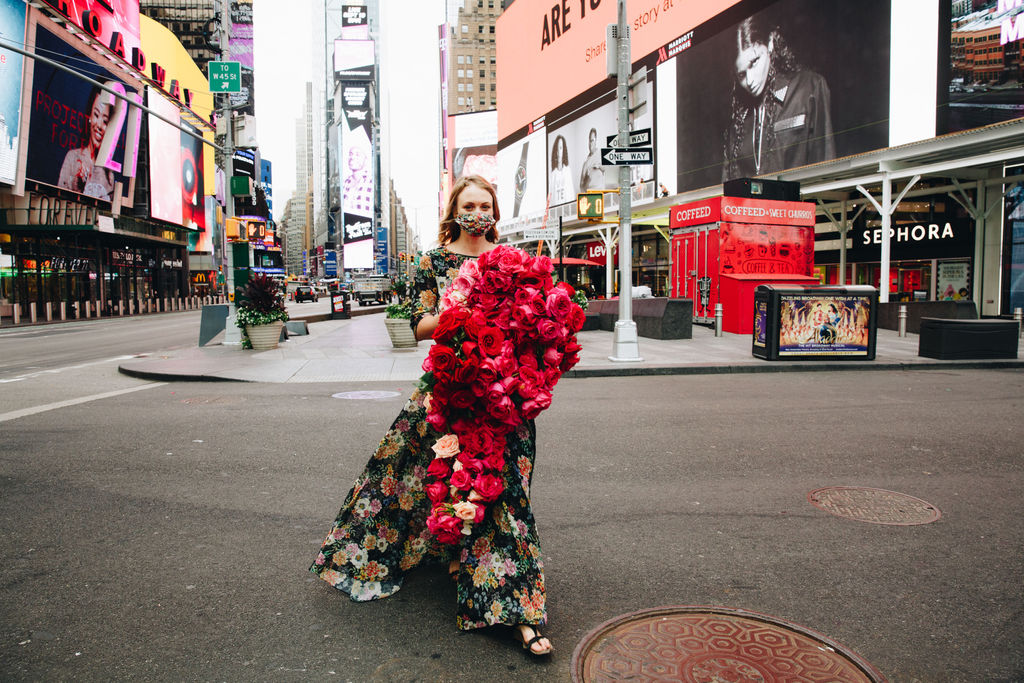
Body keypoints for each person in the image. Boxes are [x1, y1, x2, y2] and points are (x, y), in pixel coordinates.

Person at [309, 175, 554, 657]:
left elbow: (536, 324)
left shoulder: (517, 262)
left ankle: (518, 609)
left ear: (496, 211)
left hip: (504, 400)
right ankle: (440, 551)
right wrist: (463, 314)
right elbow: (411, 324)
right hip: (447, 394)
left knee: (503, 495)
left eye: (486, 205)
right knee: (402, 474)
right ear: (455, 210)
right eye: (470, 205)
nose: (478, 213)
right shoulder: (433, 261)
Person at [722, 15, 835, 181]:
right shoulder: (737, 119)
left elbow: (826, 168)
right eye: (741, 74)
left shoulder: (809, 87)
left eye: (754, 62)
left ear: (770, 43)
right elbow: (728, 189)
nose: (751, 80)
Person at [57, 85, 116, 201]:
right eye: (96, 115)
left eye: (105, 121)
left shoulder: (109, 174)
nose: (99, 125)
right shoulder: (72, 158)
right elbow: (58, 198)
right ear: (89, 116)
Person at [549, 134, 573, 204]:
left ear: (563, 150)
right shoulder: (552, 175)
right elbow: (550, 201)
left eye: (560, 148)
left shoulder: (567, 171)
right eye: (557, 148)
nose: (558, 152)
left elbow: (571, 195)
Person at [579, 127, 604, 191]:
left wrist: (599, 166)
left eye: (592, 140)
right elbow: (581, 186)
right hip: (589, 196)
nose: (590, 144)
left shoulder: (601, 154)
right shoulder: (586, 163)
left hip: (601, 194)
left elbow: (610, 172)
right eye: (589, 141)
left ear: (596, 140)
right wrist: (586, 180)